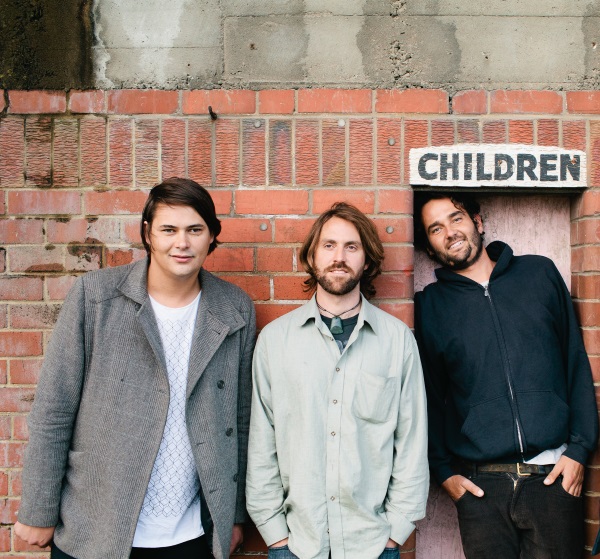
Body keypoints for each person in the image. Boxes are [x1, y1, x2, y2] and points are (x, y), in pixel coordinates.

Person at [15, 178, 256, 559]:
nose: (182, 242)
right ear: (147, 233)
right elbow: (54, 409)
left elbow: (240, 421)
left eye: (195, 230)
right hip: (97, 528)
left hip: (192, 534)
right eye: (169, 229)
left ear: (212, 236)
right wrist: (39, 509)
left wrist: (233, 515)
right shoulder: (96, 298)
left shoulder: (234, 309)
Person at [413, 192, 598, 559]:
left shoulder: (538, 273)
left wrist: (579, 450)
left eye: (456, 218)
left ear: (478, 222)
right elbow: (428, 398)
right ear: (430, 248)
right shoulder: (432, 307)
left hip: (553, 479)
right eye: (436, 229)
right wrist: (444, 473)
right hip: (482, 490)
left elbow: (575, 360)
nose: (450, 232)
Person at [246, 203, 429, 559]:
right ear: (312, 256)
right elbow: (261, 441)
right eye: (328, 245)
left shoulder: (396, 340)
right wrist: (273, 532)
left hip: (373, 545)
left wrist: (396, 532)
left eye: (351, 246)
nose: (339, 257)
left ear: (367, 259)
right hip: (296, 544)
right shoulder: (275, 340)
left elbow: (411, 442)